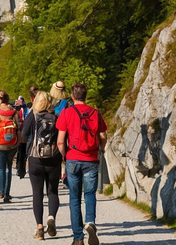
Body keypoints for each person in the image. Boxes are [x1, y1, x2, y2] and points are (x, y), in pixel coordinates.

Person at [56, 83, 108, 245]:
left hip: (73, 158)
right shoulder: (95, 113)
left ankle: (78, 237)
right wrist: (102, 149)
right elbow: (103, 135)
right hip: (91, 159)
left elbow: (60, 141)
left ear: (72, 96)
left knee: (74, 198)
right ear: (85, 95)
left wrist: (65, 157)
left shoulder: (67, 113)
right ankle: (90, 222)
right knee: (90, 194)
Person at [22, 91, 63, 241]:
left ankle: (39, 228)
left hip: (35, 159)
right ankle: (51, 218)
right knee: (52, 192)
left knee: (37, 194)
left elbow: (23, 135)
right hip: (53, 158)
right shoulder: (56, 117)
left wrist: (23, 157)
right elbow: (61, 137)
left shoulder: (32, 116)